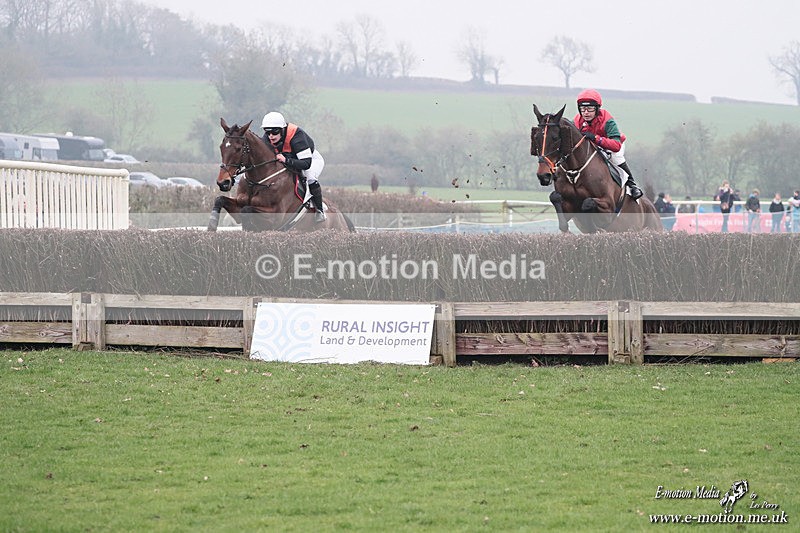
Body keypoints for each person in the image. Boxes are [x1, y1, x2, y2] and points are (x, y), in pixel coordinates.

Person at [573, 89, 643, 200]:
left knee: (616, 158)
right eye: (583, 109)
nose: (586, 112)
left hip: (612, 145)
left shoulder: (608, 120)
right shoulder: (577, 121)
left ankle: (632, 185)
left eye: (590, 109)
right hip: (592, 146)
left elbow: (616, 145)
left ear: (597, 109)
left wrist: (596, 138)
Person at [261, 111, 327, 222]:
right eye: (267, 132)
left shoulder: (297, 136)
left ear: (282, 129)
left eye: (274, 132)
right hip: (290, 159)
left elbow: (306, 164)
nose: (271, 136)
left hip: (310, 160)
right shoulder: (268, 138)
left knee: (310, 178)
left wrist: (286, 160)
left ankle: (319, 210)